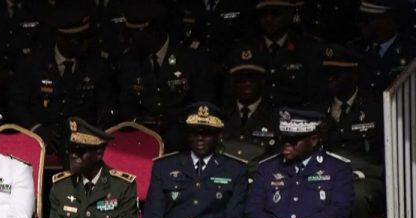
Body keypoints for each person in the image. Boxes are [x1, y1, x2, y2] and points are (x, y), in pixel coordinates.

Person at [317, 45, 386, 218]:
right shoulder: (317, 108)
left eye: (337, 74)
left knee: (355, 198)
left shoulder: (377, 107)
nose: (331, 79)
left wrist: (356, 170)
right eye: (328, 74)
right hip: (325, 177)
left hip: (367, 179)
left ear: (354, 74)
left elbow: (386, 156)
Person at [8, 5, 114, 158]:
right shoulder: (33, 64)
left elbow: (106, 103)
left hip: (83, 141)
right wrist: (36, 128)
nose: (82, 44)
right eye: (76, 40)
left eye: (84, 38)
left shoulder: (96, 65)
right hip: (42, 137)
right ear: (60, 38)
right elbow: (16, 103)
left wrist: (103, 117)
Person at [117, 0, 215, 153]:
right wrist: (139, 121)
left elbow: (204, 105)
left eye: (140, 31)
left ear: (156, 28)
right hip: (142, 138)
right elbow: (126, 105)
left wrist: (172, 121)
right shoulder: (130, 62)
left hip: (182, 140)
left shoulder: (191, 59)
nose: (134, 37)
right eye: (132, 31)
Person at [244, 0, 324, 108]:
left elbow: (316, 95)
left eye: (276, 14)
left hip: (296, 114)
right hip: (257, 115)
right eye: (264, 15)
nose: (269, 19)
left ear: (289, 15)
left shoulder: (307, 49)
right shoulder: (248, 48)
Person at [221, 45, 280, 175]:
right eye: (241, 79)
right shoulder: (221, 116)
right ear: (233, 82)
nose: (247, 83)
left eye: (252, 78)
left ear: (262, 81)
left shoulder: (275, 118)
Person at [349, 0, 416, 93]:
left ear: (390, 23)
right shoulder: (354, 50)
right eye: (360, 19)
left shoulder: (411, 52)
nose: (361, 24)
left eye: (369, 19)